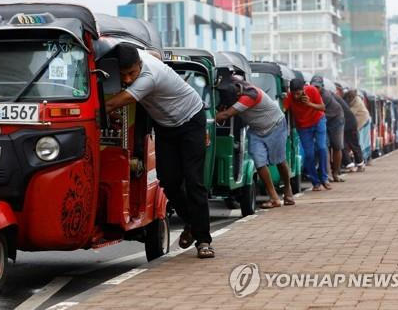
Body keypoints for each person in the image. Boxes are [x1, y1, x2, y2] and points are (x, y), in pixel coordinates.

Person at [105, 43, 214, 259]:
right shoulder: (142, 57)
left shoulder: (149, 75)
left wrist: (94, 108)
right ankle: (191, 223)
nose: (127, 79)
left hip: (191, 119)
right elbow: (154, 53)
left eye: (131, 73)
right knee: (168, 181)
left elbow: (121, 100)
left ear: (140, 65)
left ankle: (203, 241)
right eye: (123, 75)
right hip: (165, 126)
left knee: (194, 181)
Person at [215, 79, 295, 209]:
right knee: (259, 163)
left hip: (275, 126)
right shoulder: (237, 87)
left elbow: (226, 114)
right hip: (256, 130)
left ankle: (287, 190)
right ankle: (274, 197)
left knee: (279, 161)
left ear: (237, 96)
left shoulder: (249, 96)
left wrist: (207, 119)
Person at [284, 78, 330, 191]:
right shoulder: (290, 96)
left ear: (303, 89)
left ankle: (324, 178)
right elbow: (283, 110)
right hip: (303, 127)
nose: (295, 96)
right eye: (293, 93)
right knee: (309, 154)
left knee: (321, 147)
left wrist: (309, 103)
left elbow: (323, 108)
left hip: (318, 121)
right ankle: (316, 182)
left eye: (298, 93)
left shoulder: (312, 90)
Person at [310, 76, 345, 183]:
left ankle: (335, 173)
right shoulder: (308, 93)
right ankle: (328, 174)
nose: (315, 89)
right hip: (322, 120)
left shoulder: (325, 96)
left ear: (322, 87)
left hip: (336, 119)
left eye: (318, 87)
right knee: (324, 146)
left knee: (337, 146)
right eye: (313, 87)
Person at [335, 92, 365, 172]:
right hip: (349, 123)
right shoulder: (338, 99)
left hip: (347, 124)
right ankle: (358, 164)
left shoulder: (334, 99)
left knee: (345, 144)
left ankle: (352, 164)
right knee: (353, 144)